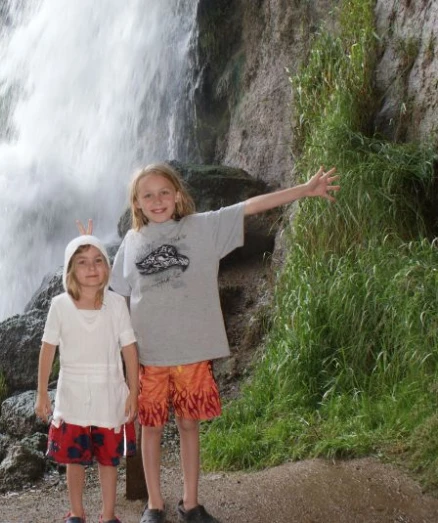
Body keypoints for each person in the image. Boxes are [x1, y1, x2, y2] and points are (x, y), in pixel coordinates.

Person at [104, 162, 339, 523]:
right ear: (136, 203)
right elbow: (116, 300)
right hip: (149, 354)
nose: (158, 200)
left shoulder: (203, 227)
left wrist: (304, 189)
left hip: (192, 352)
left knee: (188, 424)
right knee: (150, 428)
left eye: (164, 192)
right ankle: (154, 504)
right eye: (147, 195)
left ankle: (191, 503)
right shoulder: (130, 244)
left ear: (178, 195)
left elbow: (251, 206)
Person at [35, 234, 140, 523]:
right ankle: (76, 512)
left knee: (109, 459)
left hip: (110, 392)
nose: (91, 268)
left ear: (107, 267)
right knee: (74, 459)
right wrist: (42, 393)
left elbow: (129, 350)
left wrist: (134, 391)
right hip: (73, 394)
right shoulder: (60, 305)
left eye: (98, 261)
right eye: (82, 262)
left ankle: (108, 515)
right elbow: (47, 350)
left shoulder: (116, 304)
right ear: (70, 270)